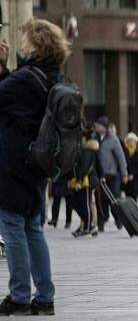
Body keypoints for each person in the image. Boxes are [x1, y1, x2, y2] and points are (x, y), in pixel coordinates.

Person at [0, 18, 69, 315]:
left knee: (13, 227)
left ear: (37, 44)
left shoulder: (24, 78)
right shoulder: (53, 76)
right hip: (37, 164)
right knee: (32, 228)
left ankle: (18, 296)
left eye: (25, 39)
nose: (20, 44)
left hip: (13, 163)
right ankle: (44, 296)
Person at [93, 116, 128, 231]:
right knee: (100, 200)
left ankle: (118, 220)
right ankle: (101, 222)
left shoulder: (113, 139)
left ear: (104, 127)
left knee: (113, 199)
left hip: (111, 175)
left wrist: (124, 174)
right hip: (99, 175)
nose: (96, 126)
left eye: (98, 125)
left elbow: (121, 157)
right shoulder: (94, 137)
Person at [66, 133, 101, 237]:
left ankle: (87, 227)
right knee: (77, 203)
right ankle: (88, 225)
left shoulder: (87, 152)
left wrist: (79, 181)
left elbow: (84, 168)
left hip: (86, 182)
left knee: (85, 204)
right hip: (81, 181)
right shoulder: (82, 151)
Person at [124, 132, 138, 202]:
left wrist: (133, 174)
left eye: (132, 140)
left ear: (135, 141)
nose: (130, 142)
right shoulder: (125, 151)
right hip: (127, 179)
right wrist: (128, 174)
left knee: (134, 197)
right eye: (129, 140)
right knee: (128, 198)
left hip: (136, 178)